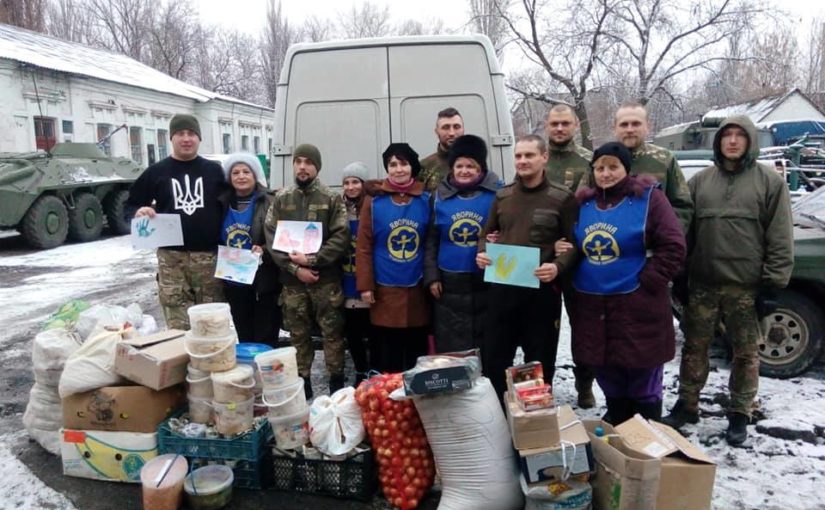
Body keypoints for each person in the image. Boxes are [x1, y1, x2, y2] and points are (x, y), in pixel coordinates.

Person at [663, 115, 793, 446]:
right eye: (726, 136)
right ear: (718, 141)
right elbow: (685, 234)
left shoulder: (769, 183)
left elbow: (780, 238)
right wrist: (680, 275)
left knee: (746, 354)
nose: (732, 141)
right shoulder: (701, 182)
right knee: (694, 348)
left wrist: (773, 286)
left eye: (739, 136)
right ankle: (687, 405)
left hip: (747, 289)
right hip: (704, 285)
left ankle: (740, 413)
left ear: (750, 141)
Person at [565, 142, 685, 424]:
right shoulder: (582, 204)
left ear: (626, 169)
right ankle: (618, 426)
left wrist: (649, 281)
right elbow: (570, 245)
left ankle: (647, 430)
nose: (606, 173)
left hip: (637, 303)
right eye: (600, 168)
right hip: (593, 304)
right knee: (606, 367)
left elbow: (674, 245)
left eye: (613, 167)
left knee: (642, 372)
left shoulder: (650, 200)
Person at [476, 135, 578, 402]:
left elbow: (575, 245)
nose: (522, 161)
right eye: (519, 156)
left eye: (529, 155)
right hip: (502, 291)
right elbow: (486, 235)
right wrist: (482, 253)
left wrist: (557, 267)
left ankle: (534, 426)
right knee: (495, 361)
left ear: (544, 157)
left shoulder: (562, 198)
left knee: (539, 364)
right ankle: (499, 419)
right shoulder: (503, 196)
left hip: (540, 294)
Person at [125, 114, 226, 330]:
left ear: (199, 138)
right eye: (180, 133)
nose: (186, 138)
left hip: (209, 259)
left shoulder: (214, 171)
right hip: (172, 261)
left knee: (212, 324)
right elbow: (130, 205)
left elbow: (234, 205)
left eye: (191, 133)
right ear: (171, 138)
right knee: (179, 327)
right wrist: (139, 212)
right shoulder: (157, 172)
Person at [264, 144, 349, 398]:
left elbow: (340, 236)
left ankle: (336, 382)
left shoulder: (331, 198)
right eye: (298, 161)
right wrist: (293, 268)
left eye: (308, 162)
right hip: (293, 283)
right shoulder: (282, 198)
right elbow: (271, 236)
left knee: (332, 334)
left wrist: (313, 260)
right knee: (298, 334)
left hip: (325, 280)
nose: (302, 166)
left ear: (317, 166)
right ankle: (303, 381)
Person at [356, 143, 431, 373]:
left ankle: (415, 401)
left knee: (415, 351)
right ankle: (389, 399)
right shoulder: (374, 201)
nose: (399, 169)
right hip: (384, 289)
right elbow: (364, 245)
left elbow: (431, 242)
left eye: (404, 163)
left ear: (412, 167)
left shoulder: (426, 199)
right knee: (388, 351)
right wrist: (366, 285)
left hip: (417, 287)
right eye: (393, 164)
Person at [424, 135, 501, 352]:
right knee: (452, 345)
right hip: (449, 284)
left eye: (471, 166)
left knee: (487, 343)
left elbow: (507, 231)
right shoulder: (439, 196)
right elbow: (431, 239)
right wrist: (432, 277)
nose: (464, 170)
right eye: (459, 165)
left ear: (481, 168)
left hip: (485, 280)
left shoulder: (498, 194)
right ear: (452, 167)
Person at [544, 103, 598, 409]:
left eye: (565, 123)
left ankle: (584, 383)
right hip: (547, 259)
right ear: (547, 125)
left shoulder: (590, 162)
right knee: (543, 328)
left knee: (583, 327)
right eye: (555, 124)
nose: (560, 128)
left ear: (575, 125)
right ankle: (543, 383)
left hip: (581, 259)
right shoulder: (539, 159)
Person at [217, 153, 282, 345]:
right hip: (234, 278)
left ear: (255, 175)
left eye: (246, 171)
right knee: (243, 331)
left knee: (266, 333)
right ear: (229, 178)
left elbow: (282, 237)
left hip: (264, 277)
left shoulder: (270, 201)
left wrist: (264, 250)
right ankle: (248, 370)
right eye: (235, 172)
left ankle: (266, 370)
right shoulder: (220, 203)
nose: (241, 176)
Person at [612, 102, 693, 233]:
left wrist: (669, 236)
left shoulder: (664, 159)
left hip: (655, 246)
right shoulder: (602, 160)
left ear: (647, 127)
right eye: (624, 124)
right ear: (614, 128)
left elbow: (682, 205)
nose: (630, 129)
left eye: (636, 124)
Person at [340, 161, 373, 385]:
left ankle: (373, 368)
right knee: (351, 331)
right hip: (345, 276)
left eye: (355, 182)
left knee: (372, 328)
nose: (351, 187)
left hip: (366, 275)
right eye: (347, 183)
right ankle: (360, 369)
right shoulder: (338, 208)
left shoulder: (372, 206)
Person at [418, 107, 465, 191]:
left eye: (456, 127)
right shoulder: (424, 167)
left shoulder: (475, 163)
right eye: (446, 127)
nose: (452, 133)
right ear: (437, 132)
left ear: (463, 129)